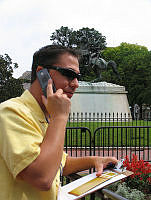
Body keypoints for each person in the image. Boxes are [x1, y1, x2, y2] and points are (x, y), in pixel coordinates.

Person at [0, 45, 118, 200]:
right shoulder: (11, 112)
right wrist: (60, 117)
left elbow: (58, 163)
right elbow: (42, 177)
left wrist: (93, 160)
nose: (75, 84)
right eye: (69, 74)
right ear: (41, 73)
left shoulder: (43, 115)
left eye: (77, 77)